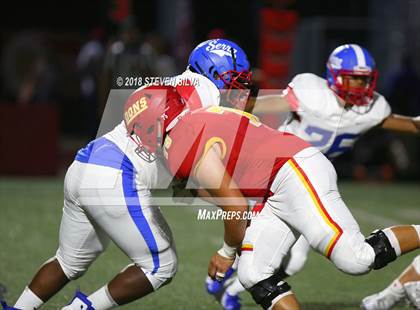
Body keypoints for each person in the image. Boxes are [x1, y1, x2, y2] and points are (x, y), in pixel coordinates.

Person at [123, 82, 420, 309]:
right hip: (276, 185)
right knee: (253, 273)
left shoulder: (180, 142)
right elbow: (234, 188)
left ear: (157, 120)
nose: (139, 137)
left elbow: (235, 204)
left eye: (139, 128)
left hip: (293, 171)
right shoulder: (194, 121)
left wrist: (227, 252)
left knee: (356, 259)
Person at [214, 43, 420, 310]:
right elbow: (265, 104)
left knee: (340, 259)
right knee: (257, 269)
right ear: (334, 76)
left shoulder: (372, 108)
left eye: (364, 80)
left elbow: (408, 124)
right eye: (353, 78)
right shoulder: (311, 91)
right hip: (278, 175)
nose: (359, 86)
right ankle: (230, 286)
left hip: (311, 179)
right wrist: (231, 104)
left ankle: (229, 281)